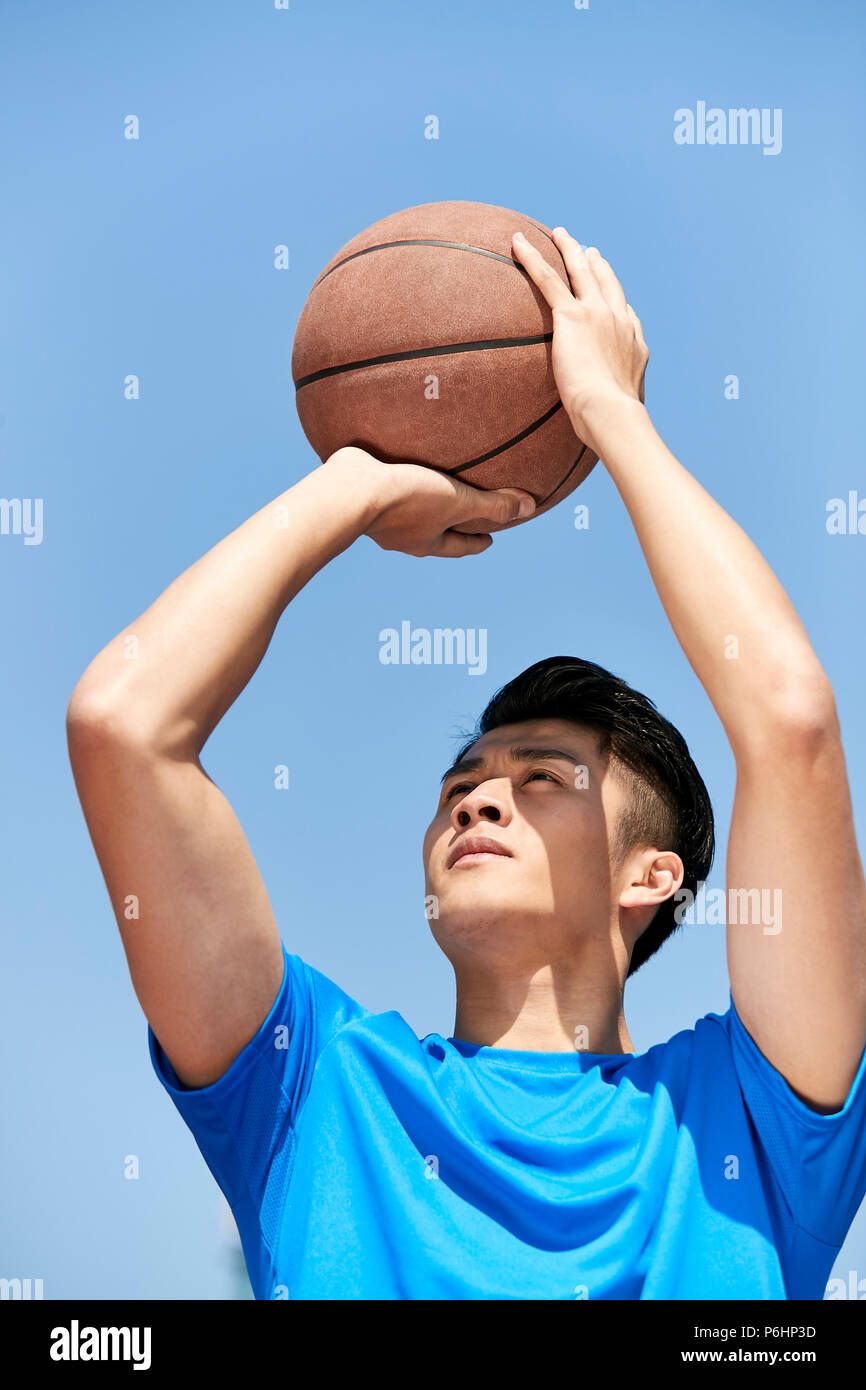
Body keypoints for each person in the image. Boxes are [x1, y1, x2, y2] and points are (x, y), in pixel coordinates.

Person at [66, 228, 866, 1300]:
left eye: (542, 779)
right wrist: (353, 488)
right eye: (461, 785)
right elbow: (124, 723)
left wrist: (611, 415)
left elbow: (790, 722)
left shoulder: (744, 1123)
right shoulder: (316, 1089)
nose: (478, 799)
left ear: (653, 874)